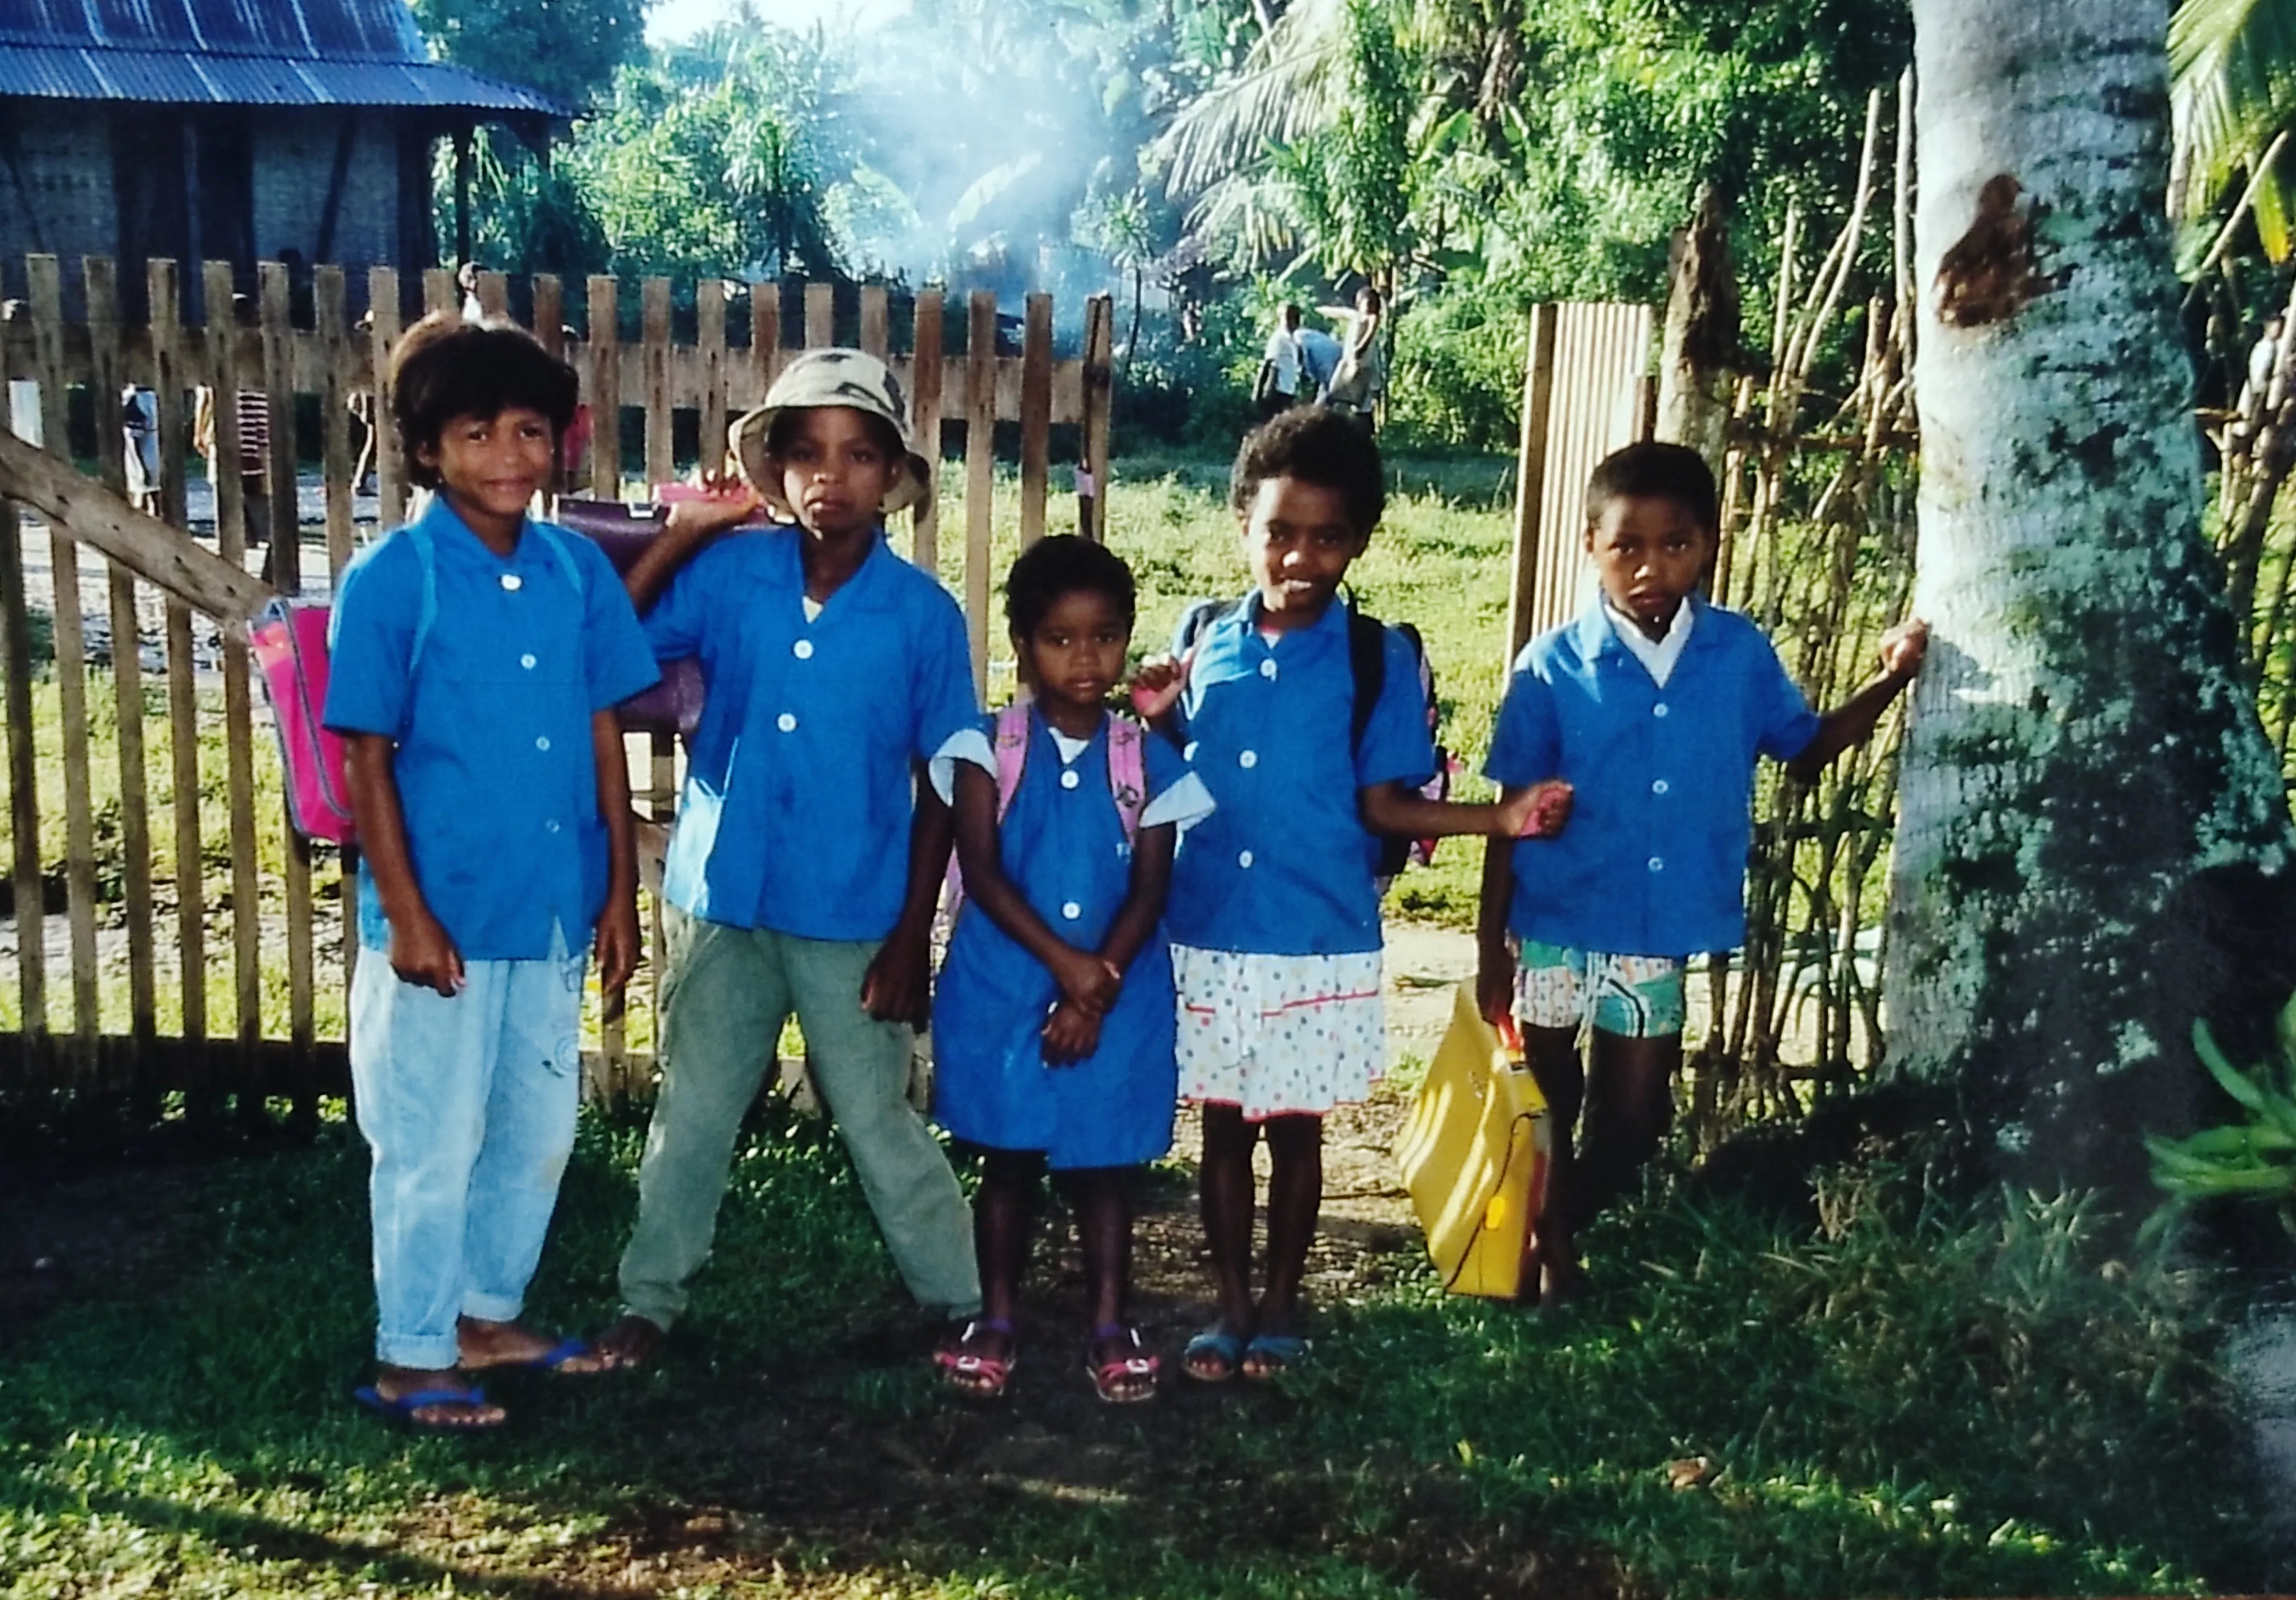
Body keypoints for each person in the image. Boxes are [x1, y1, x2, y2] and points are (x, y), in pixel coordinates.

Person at [1129, 407, 1571, 1382]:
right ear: (1242, 521)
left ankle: (1283, 1303)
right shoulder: (1202, 638)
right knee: (1218, 1130)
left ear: (1360, 541)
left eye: (1326, 538)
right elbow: (1174, 784)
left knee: (1291, 1133)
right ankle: (1228, 1303)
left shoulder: (1377, 656)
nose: (1298, 556)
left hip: (1315, 935)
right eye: (1279, 532)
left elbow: (1384, 806)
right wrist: (1157, 720)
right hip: (1206, 931)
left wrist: (1496, 824)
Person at [594, 349, 987, 1375]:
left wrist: (910, 936)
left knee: (877, 1116)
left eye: (859, 455)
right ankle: (649, 1300)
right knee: (695, 1109)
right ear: (773, 466)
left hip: (854, 914)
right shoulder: (729, 574)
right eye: (806, 453)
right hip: (720, 897)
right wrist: (683, 536)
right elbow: (611, 646)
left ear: (892, 475)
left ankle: (960, 1300)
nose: (831, 477)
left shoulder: (920, 617)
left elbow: (946, 777)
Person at [1476, 441, 1928, 1305]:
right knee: (1549, 1101)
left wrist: (1890, 680)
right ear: (1590, 547)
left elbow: (1804, 750)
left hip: (1660, 926)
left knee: (1638, 1120)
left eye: (1674, 544)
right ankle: (1543, 1261)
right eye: (1627, 548)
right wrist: (1488, 942)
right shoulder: (1551, 666)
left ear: (1709, 544)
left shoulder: (1736, 655)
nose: (1650, 567)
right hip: (1553, 923)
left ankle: (1554, 1229)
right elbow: (1510, 815)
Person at [327, 314, 660, 1431]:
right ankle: (411, 1352)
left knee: (536, 1126)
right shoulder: (396, 578)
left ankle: (482, 1311)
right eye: (478, 433)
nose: (511, 456)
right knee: (429, 1138)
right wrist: (408, 914)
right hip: (440, 924)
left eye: (530, 430)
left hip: (553, 907)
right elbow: (366, 754)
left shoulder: (574, 568)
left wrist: (617, 885)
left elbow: (603, 722)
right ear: (427, 450)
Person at [930, 536, 1213, 1402]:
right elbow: (980, 870)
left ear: (1126, 637)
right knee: (1006, 1162)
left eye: (1103, 637)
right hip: (1003, 986)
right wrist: (1068, 970)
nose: (1084, 658)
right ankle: (997, 1318)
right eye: (1059, 638)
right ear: (1021, 643)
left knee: (1103, 1166)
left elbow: (1150, 887)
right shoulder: (983, 749)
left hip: (1117, 996)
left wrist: (1099, 986)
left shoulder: (1147, 760)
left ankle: (1109, 1323)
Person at [1322, 286, 1387, 427]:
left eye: (1373, 304)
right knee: (1335, 398)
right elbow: (1342, 313)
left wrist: (1360, 348)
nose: (1370, 307)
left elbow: (1371, 331)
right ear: (1359, 303)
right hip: (1349, 364)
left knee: (1361, 405)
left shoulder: (1372, 318)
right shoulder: (1357, 317)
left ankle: (1363, 433)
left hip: (1362, 367)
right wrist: (1324, 311)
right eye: (1367, 303)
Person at [1254, 303, 1306, 420]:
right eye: (1288, 317)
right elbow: (1269, 364)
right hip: (1277, 391)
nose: (1292, 321)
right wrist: (1259, 393)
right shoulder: (1279, 339)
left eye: (1295, 317)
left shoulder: (1294, 340)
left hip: (1289, 391)